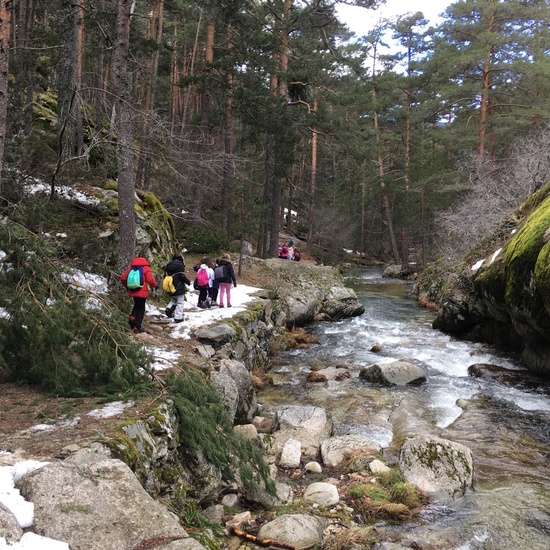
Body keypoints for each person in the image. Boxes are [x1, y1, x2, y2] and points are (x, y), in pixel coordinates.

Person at [120, 255, 158, 334]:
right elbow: (150, 280)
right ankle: (137, 327)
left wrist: (127, 286)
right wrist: (155, 285)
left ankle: (132, 317)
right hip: (142, 291)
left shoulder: (131, 267)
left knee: (136, 305)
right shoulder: (146, 268)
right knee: (141, 308)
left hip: (133, 290)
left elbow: (123, 278)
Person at [163, 253, 191, 323]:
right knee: (180, 303)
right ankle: (178, 317)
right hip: (178, 286)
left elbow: (164, 275)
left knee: (174, 299)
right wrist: (188, 282)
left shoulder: (169, 264)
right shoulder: (180, 265)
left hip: (171, 286)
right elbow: (182, 276)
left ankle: (169, 309)